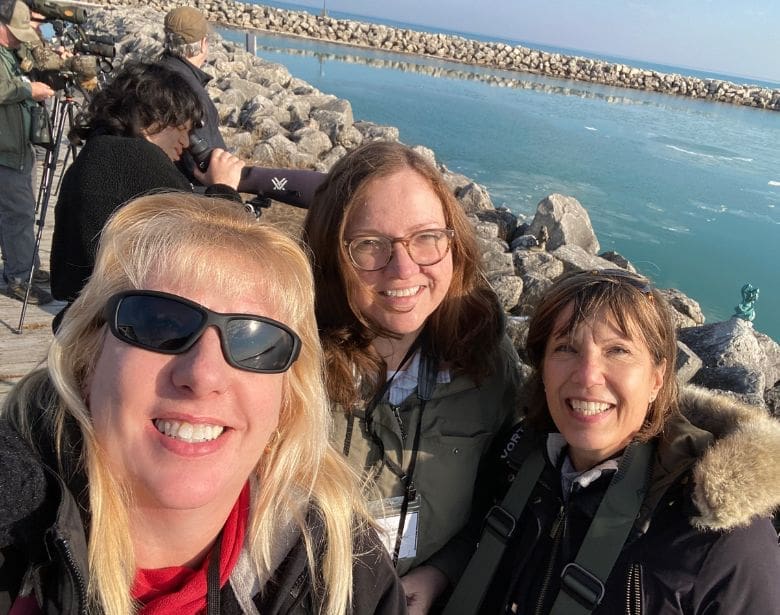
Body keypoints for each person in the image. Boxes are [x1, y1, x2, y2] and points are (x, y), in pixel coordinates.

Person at [0, 192, 407, 614]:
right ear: (88, 360)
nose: (203, 375)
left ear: (287, 400)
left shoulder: (339, 565)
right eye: (158, 324)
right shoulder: (14, 534)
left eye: (255, 342)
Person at [444, 268, 780, 614]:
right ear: (542, 368)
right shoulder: (514, 461)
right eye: (566, 348)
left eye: (618, 350)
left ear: (657, 378)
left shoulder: (722, 540)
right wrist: (437, 574)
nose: (588, 375)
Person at [303, 141, 521, 613]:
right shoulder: (290, 358)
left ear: (453, 242)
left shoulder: (483, 355)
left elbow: (506, 490)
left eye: (425, 237)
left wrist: (446, 570)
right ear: (331, 253)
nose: (403, 268)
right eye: (369, 245)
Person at [50, 61, 244, 307]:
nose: (186, 142)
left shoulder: (97, 152)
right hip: (121, 322)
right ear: (148, 120)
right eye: (181, 128)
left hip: (85, 315)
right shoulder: (139, 158)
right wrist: (225, 191)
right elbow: (210, 250)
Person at [0, 0, 55, 304]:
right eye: (16, 32)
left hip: (15, 148)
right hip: (6, 151)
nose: (20, 38)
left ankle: (26, 266)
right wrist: (29, 90)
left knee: (19, 212)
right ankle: (19, 277)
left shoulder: (9, 51)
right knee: (18, 213)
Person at [158, 6, 226, 183]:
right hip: (185, 193)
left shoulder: (154, 73)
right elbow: (204, 162)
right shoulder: (191, 94)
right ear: (203, 43)